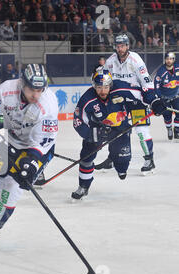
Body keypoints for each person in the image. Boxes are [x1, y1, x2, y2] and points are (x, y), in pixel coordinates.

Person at [0, 64, 59, 252]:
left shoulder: (49, 103)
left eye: (39, 90)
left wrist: (32, 162)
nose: (36, 94)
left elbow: (44, 141)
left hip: (36, 149)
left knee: (13, 185)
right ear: (22, 83)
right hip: (8, 144)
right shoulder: (5, 90)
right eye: (31, 89)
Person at [71, 68, 166, 200]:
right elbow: (78, 121)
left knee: (122, 165)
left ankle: (118, 163)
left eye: (105, 87)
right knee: (86, 158)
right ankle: (83, 187)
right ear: (94, 86)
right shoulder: (87, 99)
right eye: (98, 87)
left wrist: (155, 102)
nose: (102, 91)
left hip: (120, 128)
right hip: (97, 129)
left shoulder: (120, 87)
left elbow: (142, 93)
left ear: (110, 85)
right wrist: (90, 134)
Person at [99, 34, 158, 174]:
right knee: (114, 127)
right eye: (118, 46)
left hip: (137, 101)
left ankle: (149, 160)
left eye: (122, 46)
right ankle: (113, 157)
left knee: (141, 131)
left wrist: (153, 99)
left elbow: (147, 82)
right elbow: (105, 80)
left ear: (127, 46)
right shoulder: (111, 61)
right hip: (120, 101)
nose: (120, 49)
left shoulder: (136, 60)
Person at [154, 52, 179, 140]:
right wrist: (160, 98)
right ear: (165, 60)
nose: (169, 61)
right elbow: (156, 87)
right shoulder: (161, 72)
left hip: (176, 96)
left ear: (174, 60)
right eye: (167, 59)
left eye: (171, 59)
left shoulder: (178, 68)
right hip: (165, 98)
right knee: (167, 116)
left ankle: (176, 129)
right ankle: (169, 129)